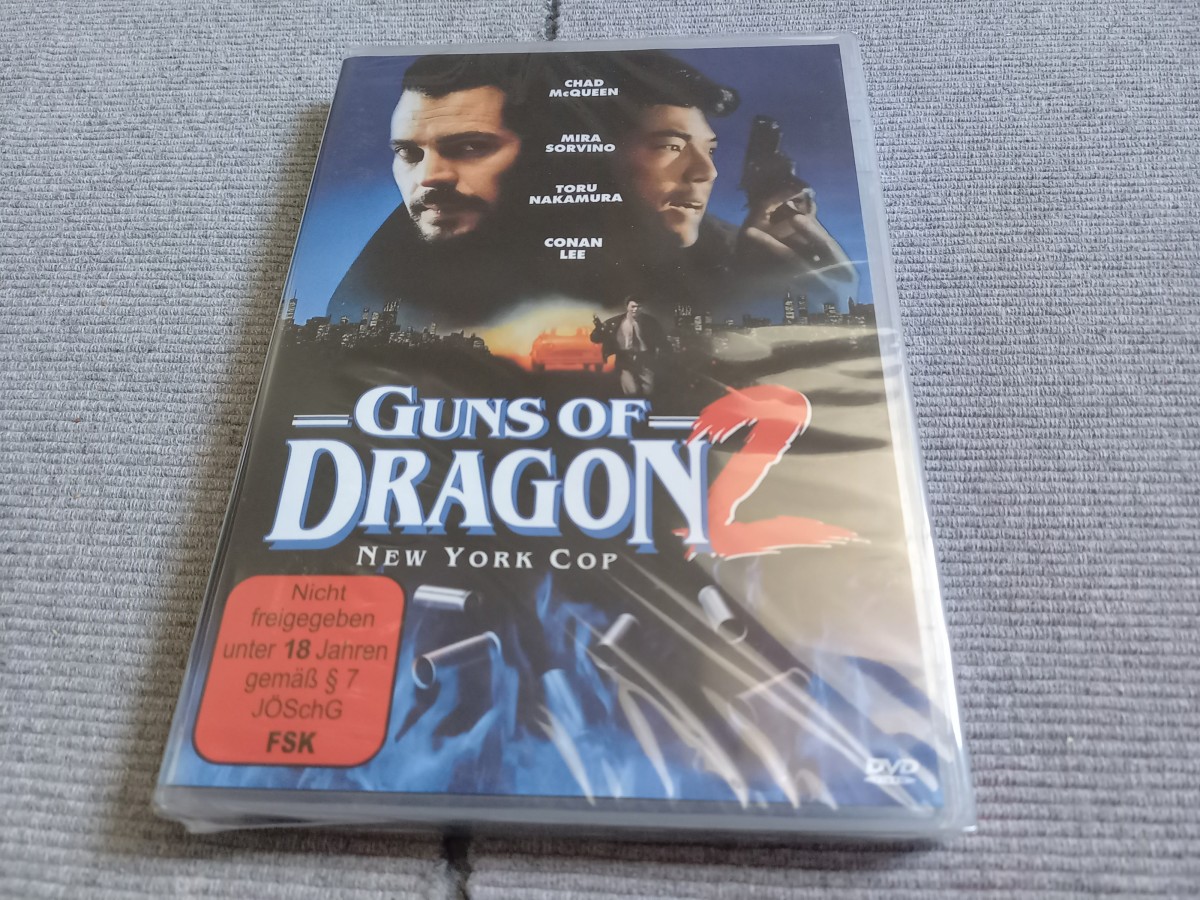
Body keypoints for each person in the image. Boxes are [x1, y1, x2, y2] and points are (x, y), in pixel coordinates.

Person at [593, 51, 857, 316]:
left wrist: (815, 310)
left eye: (710, 151)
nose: (709, 172)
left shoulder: (733, 253)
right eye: (671, 146)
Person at [326, 54, 547, 328]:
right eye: (408, 152)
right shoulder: (360, 296)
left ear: (535, 151)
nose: (428, 177)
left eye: (470, 147)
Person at [590, 296, 668, 396]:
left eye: (639, 306)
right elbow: (595, 338)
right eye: (633, 306)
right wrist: (599, 330)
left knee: (649, 390)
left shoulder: (651, 322)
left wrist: (660, 356)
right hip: (624, 359)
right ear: (627, 307)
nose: (635, 309)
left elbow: (661, 340)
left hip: (645, 359)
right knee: (631, 391)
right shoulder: (615, 322)